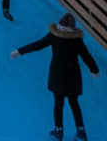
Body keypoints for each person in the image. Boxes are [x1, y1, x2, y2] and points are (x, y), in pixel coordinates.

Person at [13, 13, 101, 141]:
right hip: (72, 75)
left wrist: (19, 51)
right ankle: (81, 131)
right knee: (74, 103)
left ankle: (58, 130)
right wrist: (94, 70)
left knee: (58, 104)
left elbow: (38, 45)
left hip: (57, 74)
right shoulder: (76, 40)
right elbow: (86, 56)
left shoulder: (54, 36)